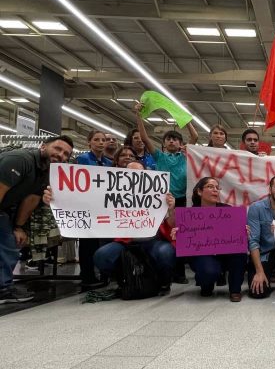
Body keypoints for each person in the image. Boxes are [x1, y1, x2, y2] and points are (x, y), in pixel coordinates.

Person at [76, 162, 177, 296]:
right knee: (102, 256)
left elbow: (170, 223)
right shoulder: (113, 192)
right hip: (126, 241)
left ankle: (164, 280)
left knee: (166, 253)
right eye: (130, 173)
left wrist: (171, 209)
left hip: (154, 240)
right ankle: (125, 279)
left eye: (139, 173)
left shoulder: (159, 192)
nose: (135, 176)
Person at [0, 135, 73, 303]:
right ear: (43, 146)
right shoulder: (19, 160)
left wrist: (18, 227)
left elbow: (31, 199)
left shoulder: (47, 171)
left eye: (66, 154)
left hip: (4, 210)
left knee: (10, 245)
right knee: (8, 247)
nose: (61, 155)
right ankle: (3, 290)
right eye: (58, 149)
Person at [186, 177, 246, 301]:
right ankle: (206, 282)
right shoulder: (189, 215)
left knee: (240, 252)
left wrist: (243, 231)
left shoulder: (228, 210)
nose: (215, 190)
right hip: (202, 256)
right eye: (210, 187)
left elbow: (237, 236)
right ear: (199, 191)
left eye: (217, 188)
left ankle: (235, 290)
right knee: (208, 276)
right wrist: (180, 234)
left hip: (225, 254)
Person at [134, 103, 198, 207]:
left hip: (183, 199)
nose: (171, 141)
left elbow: (195, 137)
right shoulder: (159, 156)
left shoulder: (185, 156)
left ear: (181, 144)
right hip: (163, 198)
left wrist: (186, 119)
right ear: (164, 144)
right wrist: (138, 115)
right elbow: (145, 139)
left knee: (180, 223)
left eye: (175, 139)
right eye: (168, 139)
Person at [75, 130, 115, 290]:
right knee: (87, 243)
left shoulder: (108, 162)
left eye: (103, 140)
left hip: (103, 208)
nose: (100, 142)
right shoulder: (83, 159)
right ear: (89, 142)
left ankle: (103, 274)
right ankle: (87, 275)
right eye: (96, 139)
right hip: (88, 208)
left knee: (102, 242)